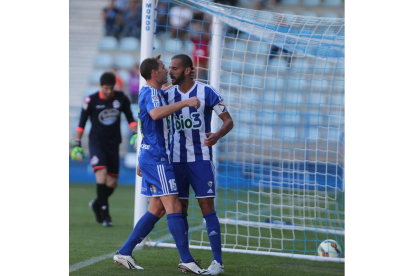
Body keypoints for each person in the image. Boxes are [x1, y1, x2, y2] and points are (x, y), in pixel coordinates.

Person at [112, 55, 210, 275]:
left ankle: (125, 251)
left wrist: (140, 158)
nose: (166, 70)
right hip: (157, 158)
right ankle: (187, 260)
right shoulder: (153, 93)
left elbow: (147, 122)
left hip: (150, 157)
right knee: (173, 206)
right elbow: (155, 115)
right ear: (154, 73)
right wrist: (185, 101)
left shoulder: (151, 92)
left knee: (156, 209)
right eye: (163, 68)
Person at [164, 54, 234, 275]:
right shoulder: (167, 94)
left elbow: (228, 120)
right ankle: (187, 259)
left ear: (187, 70)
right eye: (169, 68)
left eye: (174, 68)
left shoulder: (207, 92)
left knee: (207, 207)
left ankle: (218, 263)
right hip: (176, 160)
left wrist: (216, 136)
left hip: (201, 159)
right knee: (180, 209)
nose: (170, 72)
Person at [71, 72, 137, 227]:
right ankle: (105, 215)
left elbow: (130, 118)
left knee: (112, 182)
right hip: (96, 143)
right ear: (101, 86)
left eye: (111, 88)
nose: (109, 91)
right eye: (106, 88)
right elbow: (81, 124)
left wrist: (135, 133)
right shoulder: (91, 100)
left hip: (114, 144)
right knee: (102, 173)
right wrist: (77, 143)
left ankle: (97, 203)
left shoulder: (121, 98)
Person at [189, 12, 211, 82]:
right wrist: (195, 28)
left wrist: (202, 30)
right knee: (196, 70)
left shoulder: (205, 40)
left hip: (204, 57)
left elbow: (209, 37)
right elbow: (190, 36)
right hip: (197, 57)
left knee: (203, 72)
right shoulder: (196, 40)